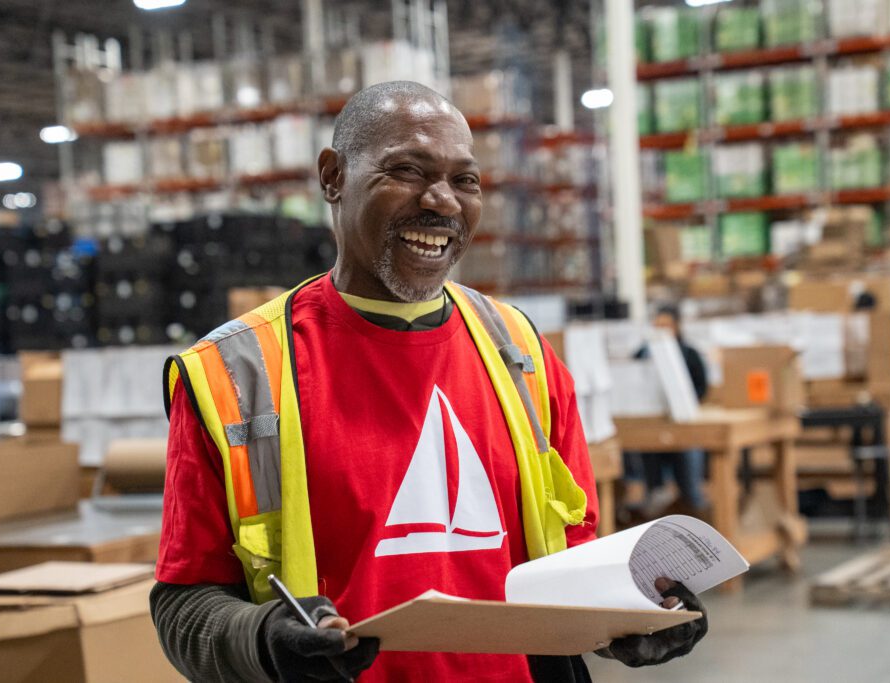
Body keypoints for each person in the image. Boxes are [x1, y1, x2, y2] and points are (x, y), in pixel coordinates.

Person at [150, 81, 707, 683]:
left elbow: (570, 566)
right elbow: (184, 606)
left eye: (465, 180)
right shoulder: (236, 375)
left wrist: (640, 612)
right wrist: (260, 641)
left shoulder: (521, 354)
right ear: (333, 177)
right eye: (407, 171)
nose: (441, 201)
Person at [629, 305, 709, 515]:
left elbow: (701, 387)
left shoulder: (690, 354)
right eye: (658, 325)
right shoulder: (643, 353)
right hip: (651, 426)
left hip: (684, 426)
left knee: (689, 479)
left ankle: (694, 508)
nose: (661, 330)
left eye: (666, 325)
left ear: (677, 326)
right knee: (648, 466)